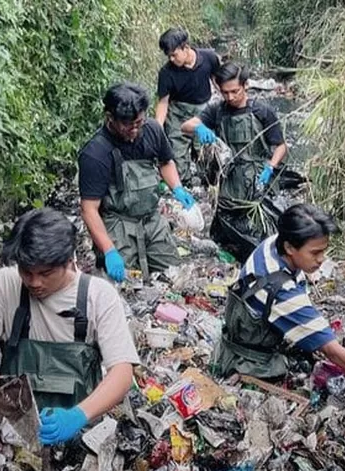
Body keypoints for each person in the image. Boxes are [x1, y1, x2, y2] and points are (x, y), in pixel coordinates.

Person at [0, 208, 140, 460]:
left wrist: (78, 416)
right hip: (13, 432)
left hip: (79, 432)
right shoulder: (5, 285)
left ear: (68, 261)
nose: (34, 282)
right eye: (27, 272)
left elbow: (123, 372)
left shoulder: (98, 296)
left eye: (45, 273)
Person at [213, 203, 345, 421]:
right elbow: (332, 351)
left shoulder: (273, 245)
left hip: (244, 334)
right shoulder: (281, 290)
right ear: (290, 247)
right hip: (249, 359)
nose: (322, 259)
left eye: (324, 250)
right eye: (315, 252)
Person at [79, 82, 196, 282]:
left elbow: (166, 162)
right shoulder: (95, 153)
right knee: (121, 285)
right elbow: (89, 209)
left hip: (151, 219)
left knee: (176, 276)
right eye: (127, 125)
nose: (134, 130)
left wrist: (177, 188)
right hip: (117, 224)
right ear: (110, 118)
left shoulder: (151, 130)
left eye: (138, 122)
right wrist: (108, 251)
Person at [181, 62, 287, 201]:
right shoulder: (217, 110)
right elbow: (185, 126)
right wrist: (199, 128)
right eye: (225, 92)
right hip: (227, 180)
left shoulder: (262, 111)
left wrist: (270, 167)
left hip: (258, 177)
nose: (230, 97)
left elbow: (281, 146)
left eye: (235, 91)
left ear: (246, 85)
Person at [155, 27, 220, 185]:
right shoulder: (166, 73)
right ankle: (185, 184)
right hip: (177, 114)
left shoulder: (209, 58)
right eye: (168, 56)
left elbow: (218, 83)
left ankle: (206, 184)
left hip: (202, 112)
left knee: (205, 150)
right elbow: (163, 102)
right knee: (177, 154)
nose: (171, 59)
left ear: (185, 47)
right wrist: (157, 129)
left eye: (174, 55)